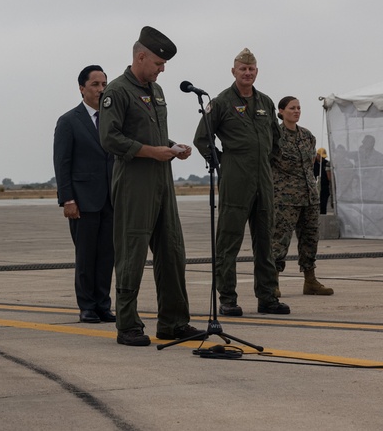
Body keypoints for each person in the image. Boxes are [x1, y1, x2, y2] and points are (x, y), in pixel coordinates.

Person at [98, 26, 196, 347]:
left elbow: (152, 135)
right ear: (140, 57)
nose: (162, 69)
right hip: (134, 184)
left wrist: (172, 147)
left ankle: (174, 322)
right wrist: (154, 152)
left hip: (162, 182)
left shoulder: (156, 91)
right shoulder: (117, 91)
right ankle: (127, 324)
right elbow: (110, 138)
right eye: (158, 63)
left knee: (172, 252)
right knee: (132, 254)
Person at [193, 48, 289, 317]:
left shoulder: (266, 102)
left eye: (252, 69)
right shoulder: (221, 102)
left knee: (265, 241)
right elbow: (202, 138)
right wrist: (224, 162)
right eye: (243, 69)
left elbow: (275, 139)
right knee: (228, 241)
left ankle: (268, 297)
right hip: (235, 180)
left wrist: (267, 162)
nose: (247, 73)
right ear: (233, 71)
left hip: (263, 181)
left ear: (256, 72)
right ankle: (227, 298)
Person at [53, 64, 115, 324]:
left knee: (107, 256)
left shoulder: (114, 119)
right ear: (82, 89)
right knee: (86, 257)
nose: (101, 90)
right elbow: (62, 163)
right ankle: (87, 306)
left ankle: (103, 304)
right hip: (83, 201)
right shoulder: (69, 121)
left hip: (112, 199)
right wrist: (67, 199)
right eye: (95, 85)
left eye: (104, 85)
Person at [272, 96, 333, 295]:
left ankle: (310, 280)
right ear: (281, 111)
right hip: (284, 198)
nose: (296, 111)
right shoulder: (274, 136)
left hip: (309, 196)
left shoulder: (307, 136)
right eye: (292, 108)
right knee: (279, 241)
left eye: (299, 108)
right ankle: (272, 282)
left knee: (310, 239)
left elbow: (309, 167)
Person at [314, 147, 332, 215]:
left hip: (324, 188)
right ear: (317, 155)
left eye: (323, 157)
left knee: (323, 206)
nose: (323, 159)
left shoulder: (326, 163)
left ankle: (323, 217)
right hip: (315, 188)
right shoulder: (312, 163)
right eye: (321, 157)